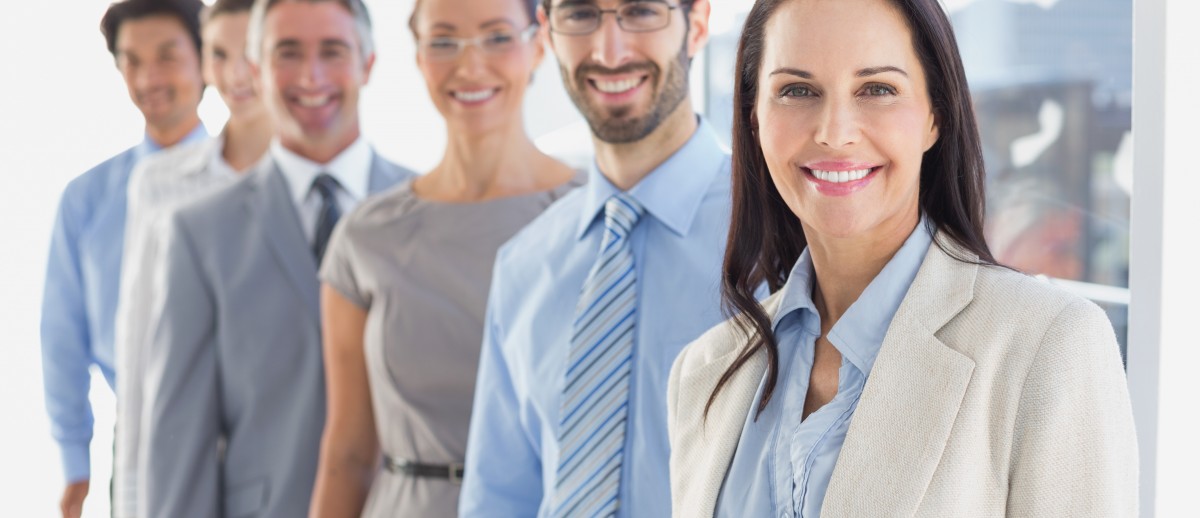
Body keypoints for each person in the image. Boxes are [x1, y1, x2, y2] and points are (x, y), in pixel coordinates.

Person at [666, 0, 1138, 516]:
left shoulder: (1048, 348)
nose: (835, 131)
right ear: (754, 119)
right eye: (797, 90)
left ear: (935, 114)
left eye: (877, 89)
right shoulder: (705, 373)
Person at [138, 0, 413, 516]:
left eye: (332, 51)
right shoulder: (199, 235)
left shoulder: (427, 213)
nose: (310, 77)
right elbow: (179, 443)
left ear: (368, 63)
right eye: (288, 53)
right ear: (258, 68)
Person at [460, 1, 735, 516]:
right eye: (582, 14)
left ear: (696, 24)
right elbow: (498, 497)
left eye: (640, 11)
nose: (609, 51)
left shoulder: (783, 239)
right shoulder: (523, 265)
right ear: (547, 33)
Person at [308, 0, 580, 515]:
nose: (470, 65)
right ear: (417, 55)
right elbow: (346, 452)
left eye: (498, 37)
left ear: (540, 44)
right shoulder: (367, 236)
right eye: (444, 41)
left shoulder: (596, 218)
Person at [40, 0, 207, 515]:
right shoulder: (88, 199)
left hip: (239, 434)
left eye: (166, 56)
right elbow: (62, 338)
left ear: (208, 61)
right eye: (131, 60)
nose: (148, 77)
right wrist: (76, 462)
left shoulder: (249, 187)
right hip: (135, 435)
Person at [110, 0, 274, 516]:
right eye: (219, 54)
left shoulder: (313, 187)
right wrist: (131, 499)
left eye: (251, 52)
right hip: (179, 459)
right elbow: (138, 350)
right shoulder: (158, 184)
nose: (236, 74)